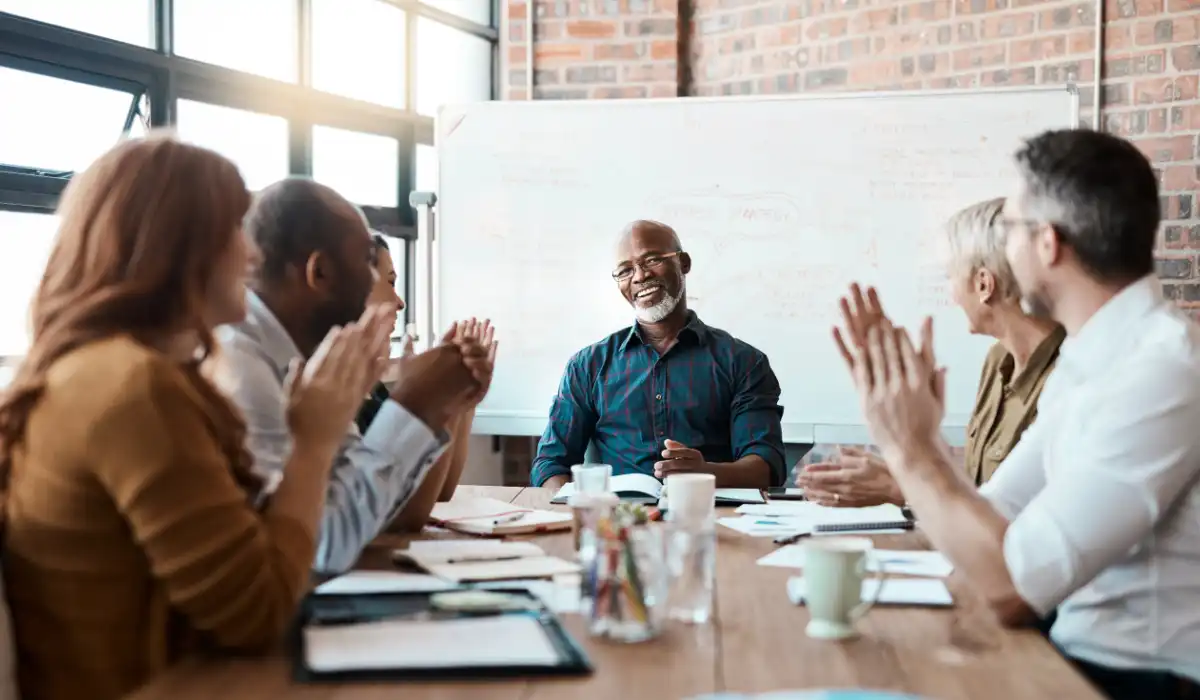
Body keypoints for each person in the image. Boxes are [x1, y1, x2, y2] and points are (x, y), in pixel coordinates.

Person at [0, 135, 384, 700]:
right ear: (176, 248)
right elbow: (260, 613)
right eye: (233, 230)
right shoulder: (134, 388)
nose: (251, 255)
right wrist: (313, 441)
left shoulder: (102, 372)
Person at [834, 129, 1200, 698]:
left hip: (1132, 682)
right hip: (1067, 656)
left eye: (1008, 230)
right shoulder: (1092, 356)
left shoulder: (1163, 370)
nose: (1001, 253)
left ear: (1048, 244)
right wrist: (918, 437)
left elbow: (1009, 586)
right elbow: (995, 516)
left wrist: (912, 448)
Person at [211, 177, 494, 574]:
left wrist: (438, 404)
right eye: (366, 262)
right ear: (320, 272)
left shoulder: (310, 359)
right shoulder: (240, 366)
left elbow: (366, 510)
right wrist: (414, 405)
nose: (383, 290)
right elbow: (325, 544)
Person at [798, 198, 1065, 507]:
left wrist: (902, 485)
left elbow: (1017, 512)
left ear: (983, 284)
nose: (951, 294)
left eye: (951, 276)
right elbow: (981, 483)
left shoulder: (1068, 374)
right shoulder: (998, 361)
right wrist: (902, 467)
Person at [531, 219, 785, 491]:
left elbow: (767, 466)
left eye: (652, 260)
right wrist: (578, 513)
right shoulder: (588, 366)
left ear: (684, 263)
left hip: (709, 517)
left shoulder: (742, 362)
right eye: (625, 270)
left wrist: (706, 473)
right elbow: (550, 465)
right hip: (618, 522)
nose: (640, 276)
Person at [355, 233, 493, 526]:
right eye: (390, 282)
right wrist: (433, 399)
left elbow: (441, 491)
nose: (400, 302)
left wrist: (457, 396)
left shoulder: (371, 388)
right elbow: (408, 512)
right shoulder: (334, 394)